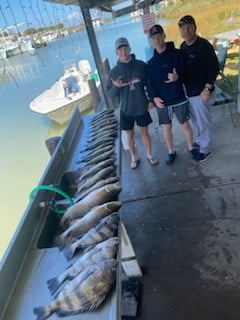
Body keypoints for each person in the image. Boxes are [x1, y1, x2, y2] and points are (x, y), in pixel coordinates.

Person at [147, 24, 199, 164]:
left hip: (179, 97)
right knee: (167, 127)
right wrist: (154, 98)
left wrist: (178, 78)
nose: (157, 40)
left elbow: (186, 74)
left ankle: (191, 147)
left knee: (185, 124)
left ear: (164, 36)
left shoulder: (177, 54)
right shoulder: (150, 64)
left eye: (159, 36)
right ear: (151, 41)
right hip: (162, 101)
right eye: (154, 38)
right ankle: (171, 151)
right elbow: (150, 85)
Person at [107, 37, 158, 169]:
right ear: (116, 53)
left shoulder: (141, 65)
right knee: (129, 135)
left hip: (141, 107)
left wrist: (151, 100)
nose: (123, 51)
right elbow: (111, 95)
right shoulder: (114, 72)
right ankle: (134, 156)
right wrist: (116, 86)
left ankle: (149, 154)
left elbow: (150, 84)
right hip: (126, 110)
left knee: (145, 133)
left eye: (125, 48)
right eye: (120, 49)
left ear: (129, 49)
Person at [178, 15, 219, 162]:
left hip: (202, 92)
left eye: (189, 27)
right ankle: (201, 141)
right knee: (196, 121)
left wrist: (207, 89)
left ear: (195, 28)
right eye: (183, 29)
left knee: (203, 122)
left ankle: (206, 149)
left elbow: (214, 68)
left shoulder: (204, 46)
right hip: (189, 92)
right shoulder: (183, 47)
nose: (186, 31)